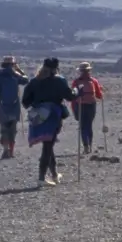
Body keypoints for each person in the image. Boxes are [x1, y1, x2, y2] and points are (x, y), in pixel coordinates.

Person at [22, 57, 76, 187]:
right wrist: (76, 91)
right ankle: (41, 178)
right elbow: (70, 96)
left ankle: (55, 175)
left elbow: (25, 102)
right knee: (48, 146)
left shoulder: (34, 81)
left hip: (37, 117)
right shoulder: (59, 80)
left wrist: (37, 104)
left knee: (48, 145)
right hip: (53, 116)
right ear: (56, 68)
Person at [0, 55, 30, 159]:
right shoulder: (15, 75)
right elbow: (26, 80)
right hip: (14, 105)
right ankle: (11, 152)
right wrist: (19, 69)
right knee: (12, 129)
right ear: (13, 64)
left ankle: (5, 150)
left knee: (4, 128)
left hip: (2, 105)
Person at [70, 62, 104, 155]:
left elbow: (73, 96)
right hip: (91, 105)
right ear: (89, 70)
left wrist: (74, 109)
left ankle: (86, 146)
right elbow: (99, 95)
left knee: (83, 126)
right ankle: (90, 145)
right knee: (89, 126)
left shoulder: (76, 82)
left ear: (80, 71)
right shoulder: (94, 81)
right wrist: (101, 91)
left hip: (80, 106)